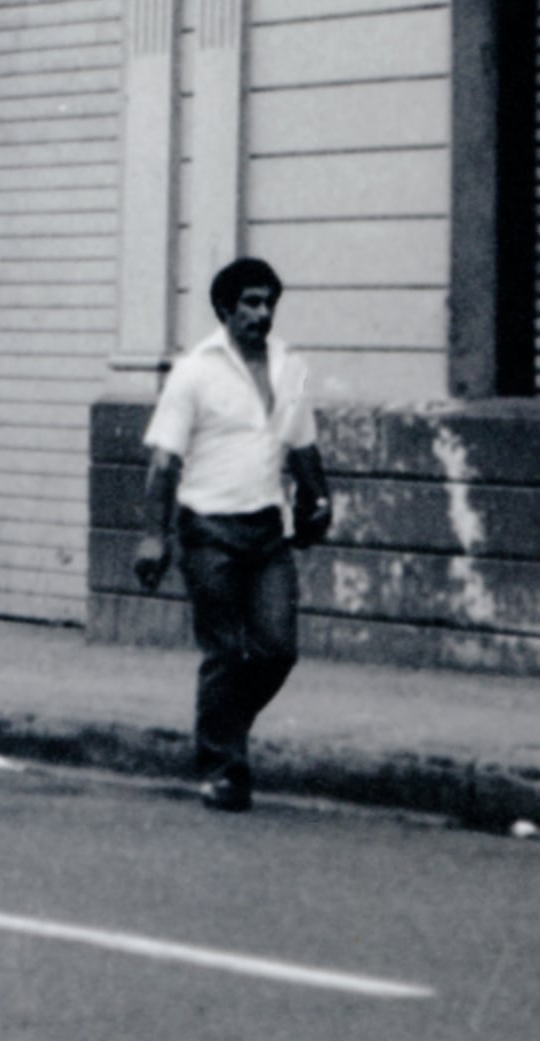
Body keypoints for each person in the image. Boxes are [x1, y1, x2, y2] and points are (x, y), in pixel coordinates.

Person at [133, 257, 332, 812]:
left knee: (276, 650)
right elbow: (164, 460)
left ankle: (223, 729)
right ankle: (225, 769)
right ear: (224, 309)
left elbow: (302, 442)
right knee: (224, 652)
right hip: (209, 532)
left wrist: (319, 498)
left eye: (268, 302)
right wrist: (154, 537)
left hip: (269, 530)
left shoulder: (288, 366)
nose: (261, 313)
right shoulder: (195, 370)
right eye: (249, 303)